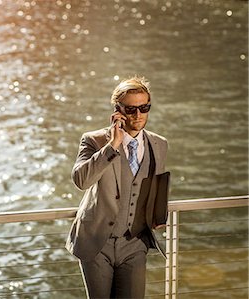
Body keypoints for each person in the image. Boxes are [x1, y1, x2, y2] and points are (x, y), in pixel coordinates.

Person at [65, 76, 169, 298]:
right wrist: (112, 145)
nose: (139, 115)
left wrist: (157, 215)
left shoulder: (159, 144)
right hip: (96, 243)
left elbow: (155, 186)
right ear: (118, 110)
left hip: (134, 243)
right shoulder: (94, 140)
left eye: (144, 107)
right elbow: (81, 180)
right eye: (131, 109)